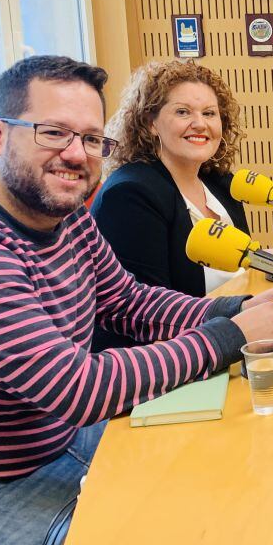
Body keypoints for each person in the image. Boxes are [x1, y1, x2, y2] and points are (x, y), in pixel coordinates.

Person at [0, 55, 273, 545]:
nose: (75, 154)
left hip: (55, 442)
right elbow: (78, 388)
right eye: (53, 133)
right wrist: (228, 337)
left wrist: (228, 309)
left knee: (209, 473)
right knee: (145, 541)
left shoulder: (68, 220)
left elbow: (130, 303)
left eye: (90, 139)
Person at [90, 60, 251, 350]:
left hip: (233, 337)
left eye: (209, 113)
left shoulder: (220, 183)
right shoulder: (130, 195)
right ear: (150, 123)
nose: (200, 123)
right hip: (171, 361)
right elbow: (145, 318)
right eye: (182, 112)